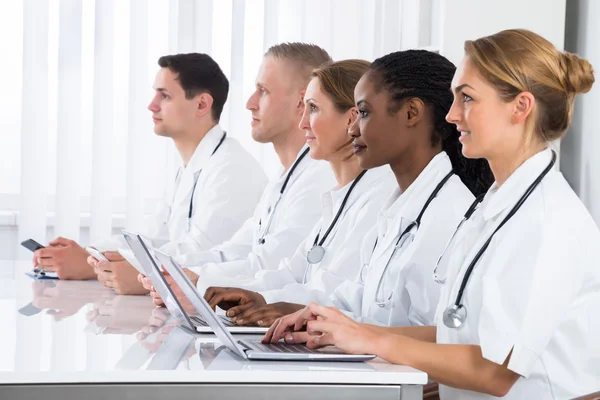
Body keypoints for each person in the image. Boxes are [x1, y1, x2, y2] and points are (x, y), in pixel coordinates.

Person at [264, 29, 600, 399]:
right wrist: (339, 328)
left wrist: (364, 336)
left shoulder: (547, 219)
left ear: (520, 107)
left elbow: (495, 371)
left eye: (467, 98)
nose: (452, 114)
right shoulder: (496, 207)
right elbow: (457, 333)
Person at [147, 60, 397, 324]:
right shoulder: (335, 194)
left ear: (351, 119)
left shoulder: (373, 195)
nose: (303, 124)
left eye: (312, 108)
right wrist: (208, 287)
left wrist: (206, 287)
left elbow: (331, 293)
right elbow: (289, 271)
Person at [32, 53, 267, 293]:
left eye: (164, 95)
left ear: (201, 104)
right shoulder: (191, 166)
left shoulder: (231, 170)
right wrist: (91, 254)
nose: (152, 105)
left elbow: (201, 253)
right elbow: (152, 236)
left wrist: (90, 266)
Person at [141, 43, 337, 297]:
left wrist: (195, 282)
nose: (249, 103)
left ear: (302, 103)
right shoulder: (283, 180)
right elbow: (236, 250)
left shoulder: (318, 180)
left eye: (263, 91)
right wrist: (177, 273)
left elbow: (272, 266)